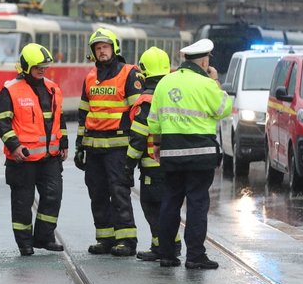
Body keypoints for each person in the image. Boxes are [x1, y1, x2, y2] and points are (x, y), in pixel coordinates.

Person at [148, 38, 232, 269]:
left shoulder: (165, 82)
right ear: (205, 61)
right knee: (196, 204)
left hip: (171, 152)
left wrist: (156, 145)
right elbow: (223, 110)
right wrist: (215, 81)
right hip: (200, 154)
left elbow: (153, 120)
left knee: (170, 202)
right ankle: (195, 256)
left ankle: (166, 254)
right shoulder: (206, 83)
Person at [0, 43, 68, 256]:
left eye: (44, 66)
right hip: (22, 160)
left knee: (53, 197)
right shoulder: (10, 90)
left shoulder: (53, 88)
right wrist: (14, 146)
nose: (42, 70)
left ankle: (45, 237)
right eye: (38, 66)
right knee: (22, 203)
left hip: (50, 158)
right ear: (26, 66)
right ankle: (24, 244)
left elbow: (59, 119)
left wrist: (63, 144)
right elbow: (2, 123)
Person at [75, 28, 142, 257]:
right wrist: (79, 146)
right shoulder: (90, 78)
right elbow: (84, 114)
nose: (102, 52)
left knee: (119, 192)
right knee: (98, 193)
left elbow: (138, 111)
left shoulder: (129, 73)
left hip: (118, 147)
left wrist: (135, 148)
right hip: (94, 148)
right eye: (98, 48)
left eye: (105, 47)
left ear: (114, 48)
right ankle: (105, 239)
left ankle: (126, 240)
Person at [125, 47, 181, 262]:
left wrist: (128, 165)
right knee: (170, 204)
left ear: (143, 71)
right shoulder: (174, 94)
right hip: (174, 161)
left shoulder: (146, 100)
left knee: (152, 206)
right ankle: (173, 243)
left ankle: (160, 247)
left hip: (152, 164)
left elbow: (138, 136)